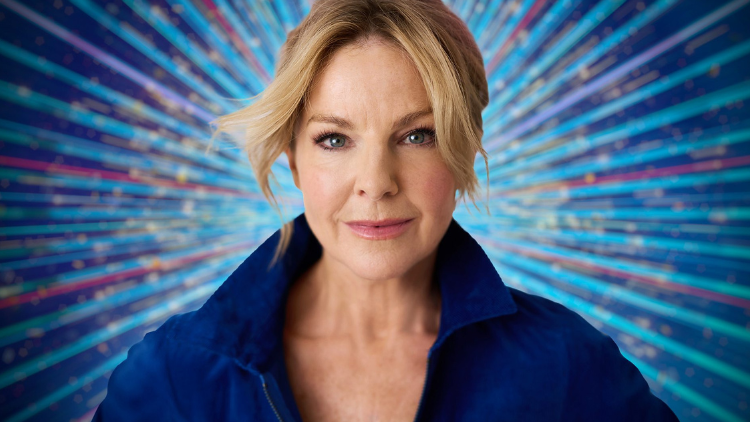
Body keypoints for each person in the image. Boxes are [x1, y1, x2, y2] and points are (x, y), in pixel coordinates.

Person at [93, 0, 680, 421]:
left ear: (464, 153)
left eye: (417, 135)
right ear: (293, 161)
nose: (375, 183)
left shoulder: (566, 367)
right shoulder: (177, 375)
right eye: (334, 139)